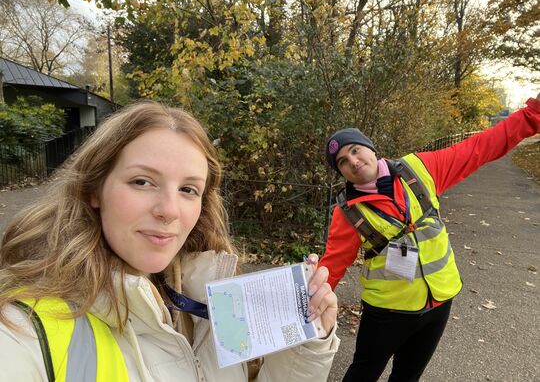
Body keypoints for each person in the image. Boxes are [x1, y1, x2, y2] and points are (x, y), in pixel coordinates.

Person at [0, 101, 340, 381]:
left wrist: (308, 341)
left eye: (188, 189)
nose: (169, 211)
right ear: (94, 189)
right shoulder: (21, 331)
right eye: (143, 182)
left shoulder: (204, 297)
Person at [320, 94, 540, 382]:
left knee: (408, 377)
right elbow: (331, 267)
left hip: (440, 301)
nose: (353, 161)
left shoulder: (420, 169)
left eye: (355, 150)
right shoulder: (348, 212)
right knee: (362, 374)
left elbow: (480, 147)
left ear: (372, 149)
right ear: (342, 173)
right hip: (387, 313)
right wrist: (304, 311)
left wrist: (531, 116)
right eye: (343, 162)